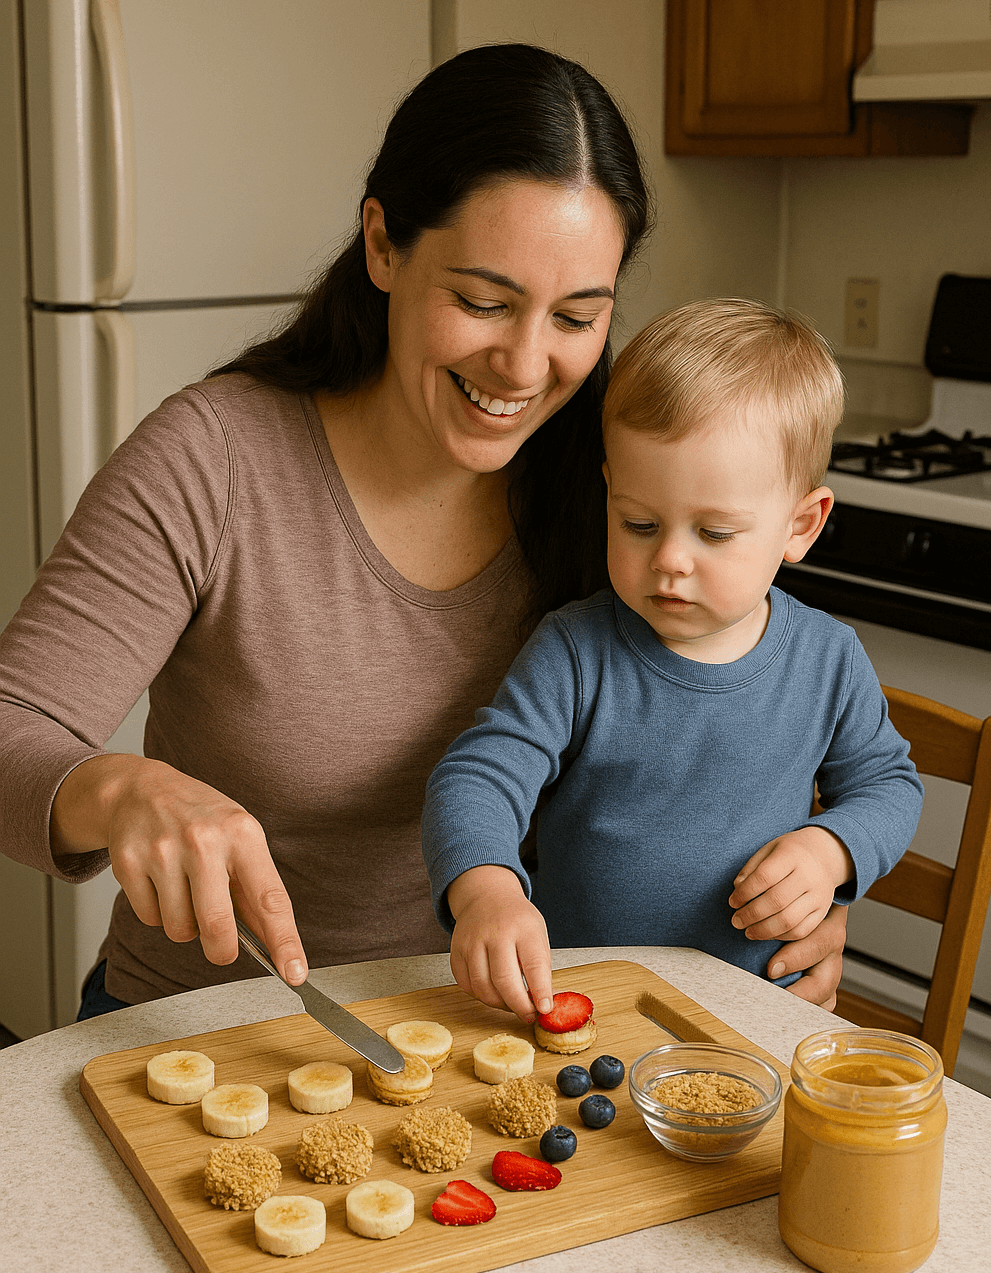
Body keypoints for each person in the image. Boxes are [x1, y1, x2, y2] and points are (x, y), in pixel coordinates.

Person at [0, 46, 847, 1021]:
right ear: (383, 245)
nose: (524, 365)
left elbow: (723, 729)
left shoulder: (619, 488)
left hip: (489, 1033)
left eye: (576, 315)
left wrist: (802, 893)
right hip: (207, 1032)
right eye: (483, 300)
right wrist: (117, 790)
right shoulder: (216, 459)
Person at [422, 299, 924, 1023]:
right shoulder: (574, 651)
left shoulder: (828, 659)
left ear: (801, 524)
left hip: (755, 1019)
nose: (670, 561)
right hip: (581, 1010)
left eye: (714, 532)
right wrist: (488, 890)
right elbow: (477, 776)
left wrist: (832, 851)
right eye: (638, 523)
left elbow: (889, 785)